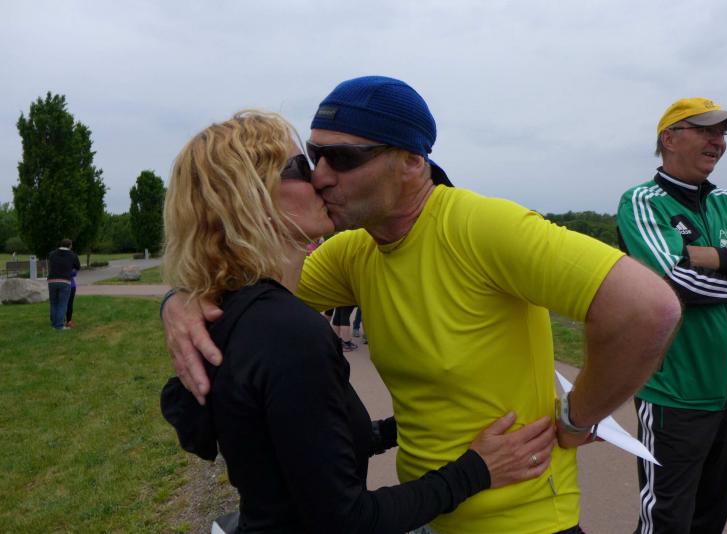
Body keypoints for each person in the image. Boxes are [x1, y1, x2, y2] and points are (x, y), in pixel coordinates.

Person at [163, 77, 682, 534]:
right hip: (430, 512)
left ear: (413, 162)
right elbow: (248, 294)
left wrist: (577, 418)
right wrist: (182, 301)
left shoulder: (484, 228)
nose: (321, 175)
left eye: (342, 159)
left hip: (521, 517)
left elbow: (647, 309)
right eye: (313, 156)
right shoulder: (354, 252)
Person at [159, 110, 556, 533]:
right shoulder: (289, 332)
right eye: (302, 166)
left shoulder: (237, 314)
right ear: (251, 199)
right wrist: (478, 469)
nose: (320, 178)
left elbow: (306, 446)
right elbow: (348, 519)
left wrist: (419, 424)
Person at [616, 97, 727, 534]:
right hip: (673, 396)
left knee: (710, 517)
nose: (718, 141)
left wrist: (717, 257)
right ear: (669, 138)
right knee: (666, 519)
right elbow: (677, 282)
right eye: (706, 130)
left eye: (722, 133)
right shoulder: (643, 201)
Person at [47, 239, 80, 330]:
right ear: (70, 245)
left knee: (54, 303)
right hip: (64, 281)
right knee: (63, 303)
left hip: (52, 280)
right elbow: (77, 267)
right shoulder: (72, 255)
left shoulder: (52, 254)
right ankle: (59, 325)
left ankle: (54, 323)